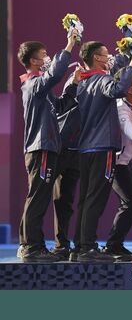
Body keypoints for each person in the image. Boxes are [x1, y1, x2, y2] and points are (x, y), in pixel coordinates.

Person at [75, 41, 132, 262]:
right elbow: (118, 89)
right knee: (95, 199)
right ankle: (88, 248)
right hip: (102, 146)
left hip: (86, 147)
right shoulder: (102, 80)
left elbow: (116, 75)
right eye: (106, 55)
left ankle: (80, 247)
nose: (109, 58)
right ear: (96, 58)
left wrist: (129, 48)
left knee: (86, 199)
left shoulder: (84, 82)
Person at [17, 29, 79, 262]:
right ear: (33, 61)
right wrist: (69, 45)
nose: (47, 58)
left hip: (47, 147)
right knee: (38, 197)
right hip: (40, 147)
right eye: (44, 55)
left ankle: (31, 245)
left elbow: (61, 106)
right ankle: (32, 247)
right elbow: (53, 74)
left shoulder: (41, 89)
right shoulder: (33, 84)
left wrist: (72, 83)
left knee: (38, 196)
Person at [101, 75, 132, 261]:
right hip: (115, 161)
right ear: (128, 88)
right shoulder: (121, 109)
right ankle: (112, 246)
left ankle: (115, 245)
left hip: (126, 161)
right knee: (131, 202)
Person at [51, 70, 82, 261]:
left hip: (77, 150)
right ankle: (30, 245)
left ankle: (64, 245)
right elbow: (62, 106)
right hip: (59, 147)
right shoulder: (73, 86)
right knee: (39, 198)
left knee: (66, 200)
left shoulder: (99, 85)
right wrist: (75, 82)